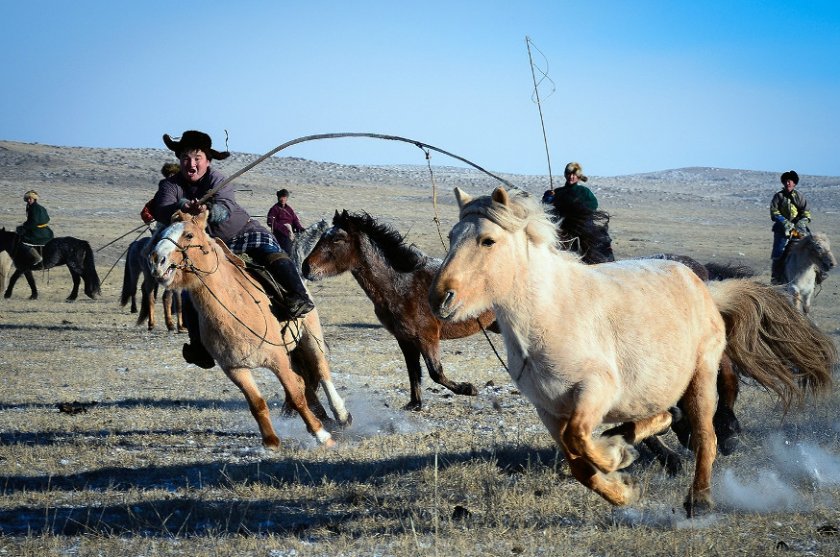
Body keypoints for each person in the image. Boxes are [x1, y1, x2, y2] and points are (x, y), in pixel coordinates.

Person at [151, 130, 315, 368]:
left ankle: (299, 297)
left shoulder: (217, 180)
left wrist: (207, 210)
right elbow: (161, 208)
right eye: (186, 158)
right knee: (190, 289)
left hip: (242, 232)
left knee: (273, 254)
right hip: (206, 247)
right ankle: (198, 345)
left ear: (207, 160)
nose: (191, 163)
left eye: (197, 158)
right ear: (179, 159)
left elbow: (225, 209)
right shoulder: (170, 185)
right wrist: (182, 206)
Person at [543, 162, 614, 263]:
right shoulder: (557, 192)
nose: (571, 177)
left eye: (574, 174)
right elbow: (546, 204)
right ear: (565, 175)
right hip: (562, 225)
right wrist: (548, 197)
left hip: (581, 227)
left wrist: (577, 208)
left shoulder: (584, 192)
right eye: (569, 174)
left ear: (578, 176)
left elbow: (593, 205)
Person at [770, 170, 813, 284]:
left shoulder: (799, 197)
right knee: (778, 253)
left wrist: (802, 222)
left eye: (790, 181)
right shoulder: (778, 196)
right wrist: (784, 222)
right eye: (786, 181)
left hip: (797, 230)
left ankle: (819, 274)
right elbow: (774, 211)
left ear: (794, 183)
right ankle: (776, 277)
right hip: (782, 230)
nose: (788, 183)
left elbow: (806, 212)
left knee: (812, 246)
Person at [16, 190, 54, 267]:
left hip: (37, 232)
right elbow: (47, 218)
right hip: (46, 231)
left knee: (23, 240)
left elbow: (33, 222)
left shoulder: (33, 208)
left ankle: (36, 257)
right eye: (28, 199)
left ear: (34, 199)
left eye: (31, 198)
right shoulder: (41, 207)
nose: (29, 200)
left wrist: (23, 227)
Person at [267, 188, 305, 255]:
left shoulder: (289, 209)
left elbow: (295, 219)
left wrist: (300, 228)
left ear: (287, 198)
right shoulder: (274, 209)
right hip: (280, 234)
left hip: (291, 232)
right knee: (288, 251)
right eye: (281, 197)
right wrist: (282, 228)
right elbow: (270, 222)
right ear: (278, 198)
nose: (282, 199)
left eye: (284, 197)